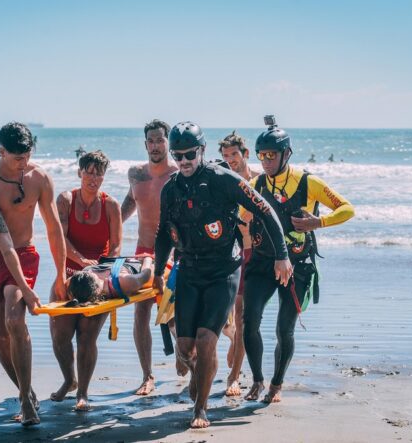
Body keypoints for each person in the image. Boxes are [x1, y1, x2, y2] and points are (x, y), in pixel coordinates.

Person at [153, 121, 292, 429]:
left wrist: (282, 255)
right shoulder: (171, 189)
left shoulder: (223, 180)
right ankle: (198, 376)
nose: (184, 161)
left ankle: (200, 409)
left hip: (222, 272)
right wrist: (156, 273)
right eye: (178, 156)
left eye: (190, 154)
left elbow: (265, 211)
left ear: (202, 150)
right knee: (185, 348)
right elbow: (164, 233)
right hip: (188, 270)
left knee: (205, 341)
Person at [242, 115, 355, 404]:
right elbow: (240, 218)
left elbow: (347, 209)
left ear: (286, 154)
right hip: (262, 263)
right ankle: (256, 379)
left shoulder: (309, 182)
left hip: (298, 267)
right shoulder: (255, 184)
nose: (266, 161)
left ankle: (276, 384)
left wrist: (320, 223)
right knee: (249, 322)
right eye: (261, 155)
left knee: (284, 329)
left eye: (271, 155)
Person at [0, 122, 67, 427]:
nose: (23, 163)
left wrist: (61, 275)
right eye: (16, 158)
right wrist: (27, 289)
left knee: (15, 320)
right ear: (1, 152)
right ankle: (26, 391)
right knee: (0, 335)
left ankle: (26, 402)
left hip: (24, 254)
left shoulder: (39, 178)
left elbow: (53, 228)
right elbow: (2, 241)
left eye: (27, 155)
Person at [50, 150, 123, 412]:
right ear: (80, 172)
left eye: (98, 173)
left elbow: (115, 248)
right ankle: (69, 380)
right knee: (60, 336)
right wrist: (81, 262)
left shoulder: (111, 205)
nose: (93, 177)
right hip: (69, 275)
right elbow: (59, 239)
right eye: (89, 171)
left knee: (86, 337)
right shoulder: (66, 200)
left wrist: (99, 272)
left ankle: (82, 392)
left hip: (98, 280)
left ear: (104, 176)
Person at [121, 119, 179, 395]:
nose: (155, 145)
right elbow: (130, 202)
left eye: (160, 140)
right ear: (145, 144)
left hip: (171, 254)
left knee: (170, 312)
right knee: (140, 312)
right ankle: (147, 375)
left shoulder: (178, 174)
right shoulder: (136, 174)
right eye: (151, 141)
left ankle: (182, 351)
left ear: (168, 142)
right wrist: (110, 235)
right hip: (141, 253)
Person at [217, 131, 260, 397]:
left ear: (245, 154)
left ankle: (234, 377)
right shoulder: (223, 181)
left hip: (252, 254)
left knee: (244, 317)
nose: (230, 160)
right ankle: (233, 339)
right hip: (228, 254)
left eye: (234, 154)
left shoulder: (259, 181)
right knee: (223, 318)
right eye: (225, 156)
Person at [66, 256, 153, 304]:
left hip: (113, 261)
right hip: (138, 265)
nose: (88, 271)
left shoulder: (75, 283)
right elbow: (145, 275)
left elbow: (69, 283)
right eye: (88, 273)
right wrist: (148, 258)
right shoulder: (124, 281)